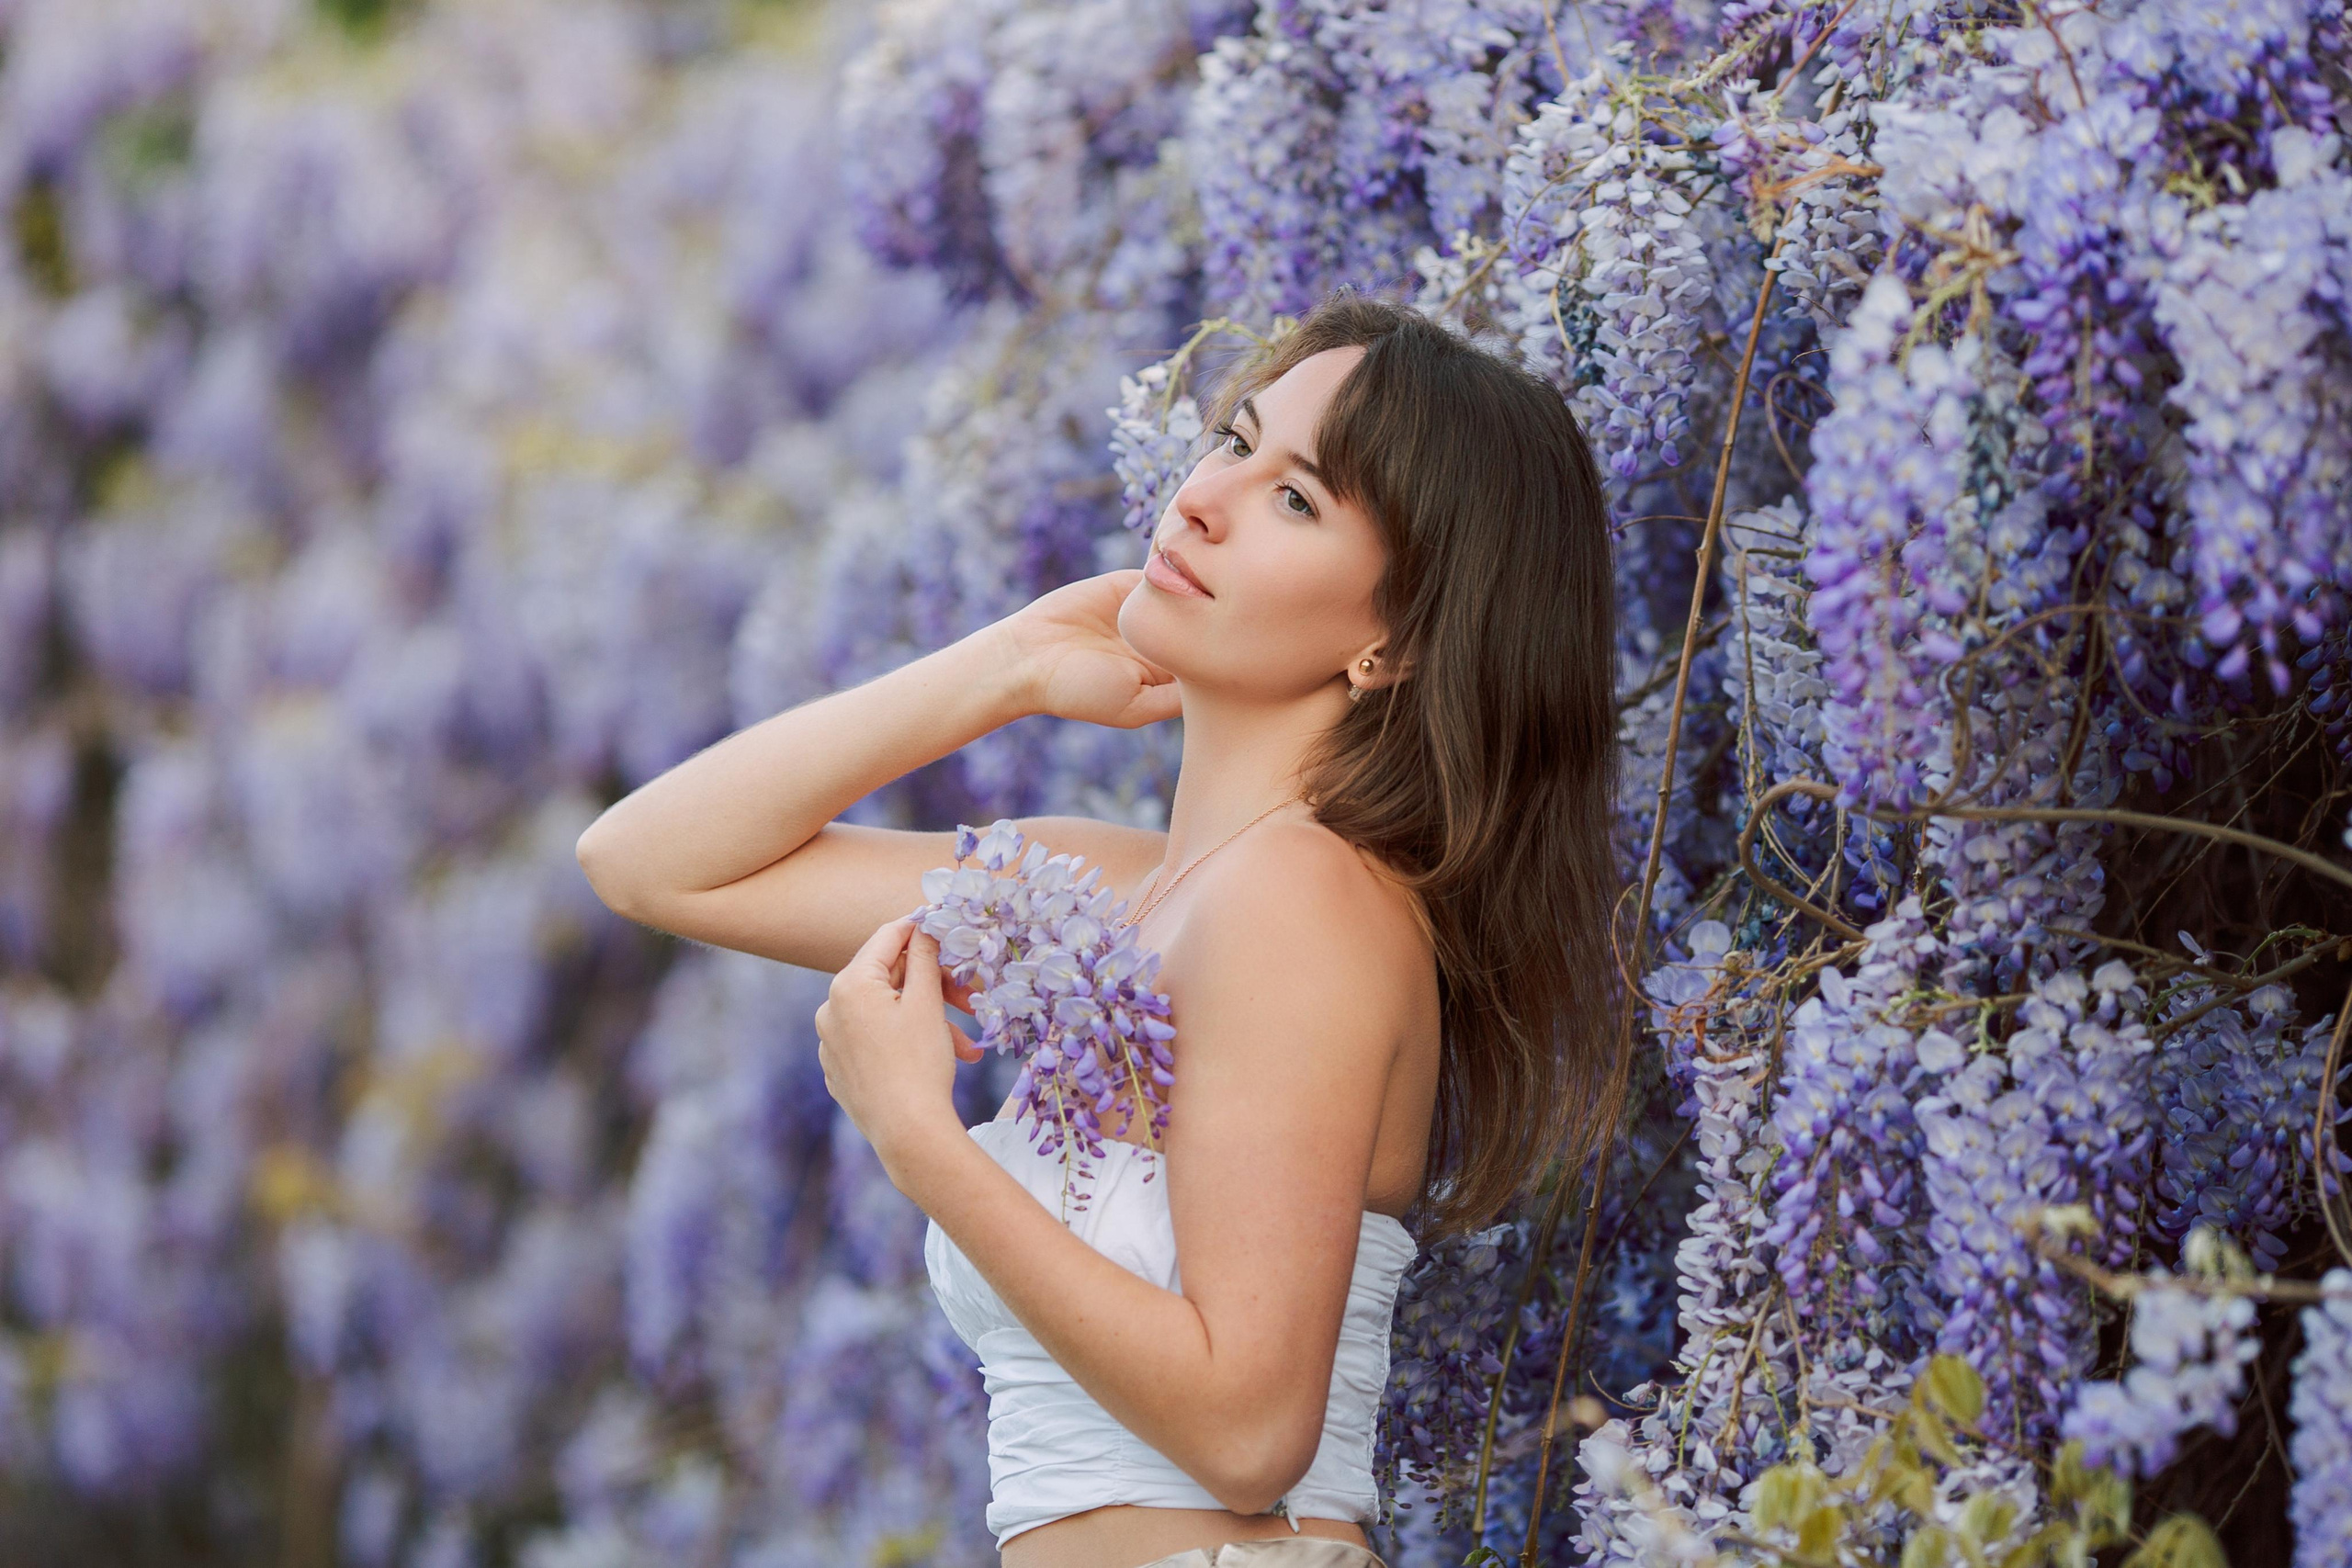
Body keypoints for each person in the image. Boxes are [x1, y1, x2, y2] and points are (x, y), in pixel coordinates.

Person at [574, 288, 1623, 1568]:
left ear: (1394, 644)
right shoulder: (1111, 892)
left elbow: (1249, 1433)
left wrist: (921, 1142)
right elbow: (652, 862)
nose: (1201, 500)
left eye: (1297, 499)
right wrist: (1006, 665)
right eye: (1234, 442)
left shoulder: (1305, 899)